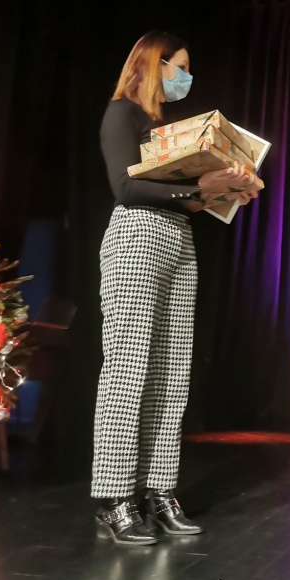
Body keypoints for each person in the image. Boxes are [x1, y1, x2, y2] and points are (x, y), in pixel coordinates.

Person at [93, 30, 260, 546]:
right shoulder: (121, 113)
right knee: (129, 366)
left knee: (171, 369)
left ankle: (158, 490)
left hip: (178, 238)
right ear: (154, 62)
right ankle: (114, 498)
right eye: (180, 66)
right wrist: (198, 186)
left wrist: (228, 191)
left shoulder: (167, 128)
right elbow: (125, 187)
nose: (186, 77)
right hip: (136, 235)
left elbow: (183, 198)